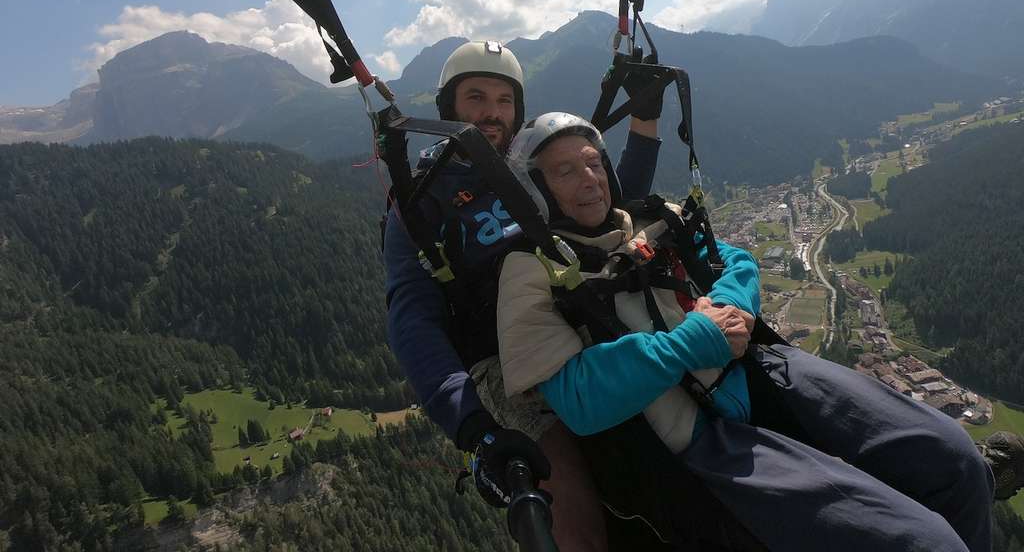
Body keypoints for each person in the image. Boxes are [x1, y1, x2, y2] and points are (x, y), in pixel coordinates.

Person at [496, 112, 1013, 552]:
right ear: (536, 191)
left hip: (759, 369)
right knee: (925, 543)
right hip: (702, 435)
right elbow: (577, 398)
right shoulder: (531, 272)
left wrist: (729, 306)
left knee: (957, 461)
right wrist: (692, 340)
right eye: (565, 171)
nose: (589, 178)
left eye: (593, 162)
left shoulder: (651, 218)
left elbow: (735, 262)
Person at [384, 41, 664, 551]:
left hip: (583, 315)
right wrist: (473, 425)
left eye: (504, 100)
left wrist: (644, 122)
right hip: (505, 364)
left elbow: (604, 205)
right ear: (449, 107)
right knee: (568, 493)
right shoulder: (422, 197)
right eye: (476, 98)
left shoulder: (529, 164)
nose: (492, 113)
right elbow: (413, 318)